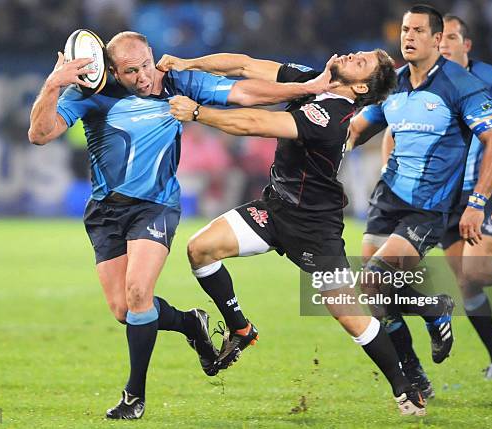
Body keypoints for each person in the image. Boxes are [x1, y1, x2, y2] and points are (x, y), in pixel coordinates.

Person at [27, 30, 338, 420]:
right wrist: (53, 83)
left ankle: (133, 396)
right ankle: (191, 322)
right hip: (106, 211)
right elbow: (39, 134)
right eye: (130, 71)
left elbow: (244, 92)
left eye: (144, 65)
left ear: (151, 55)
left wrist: (306, 87)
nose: (143, 77)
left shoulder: (175, 80)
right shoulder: (90, 94)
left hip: (156, 206)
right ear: (112, 70)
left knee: (139, 291)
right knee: (124, 309)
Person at [164, 48, 429, 416]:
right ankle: (240, 329)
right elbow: (244, 65)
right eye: (359, 53)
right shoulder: (310, 81)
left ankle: (404, 386)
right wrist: (186, 62)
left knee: (347, 313)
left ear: (361, 86)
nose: (353, 55)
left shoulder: (333, 117)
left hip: (315, 229)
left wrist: (197, 113)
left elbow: (257, 125)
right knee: (200, 249)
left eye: (361, 61)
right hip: (274, 210)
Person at [346, 5, 492, 399]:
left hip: (430, 206)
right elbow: (356, 130)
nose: (409, 37)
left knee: (372, 280)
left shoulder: (461, 85)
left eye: (418, 30)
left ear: (437, 39)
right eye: (405, 29)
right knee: (373, 295)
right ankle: (416, 368)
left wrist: (476, 202)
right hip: (388, 198)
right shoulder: (392, 84)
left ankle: (436, 313)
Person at [380, 14, 492, 383]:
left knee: (475, 271)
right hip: (441, 199)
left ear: (464, 45)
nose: (444, 45)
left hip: (481, 193)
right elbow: (393, 131)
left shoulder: (485, 80)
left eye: (451, 38)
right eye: (441, 39)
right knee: (465, 281)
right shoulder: (413, 82)